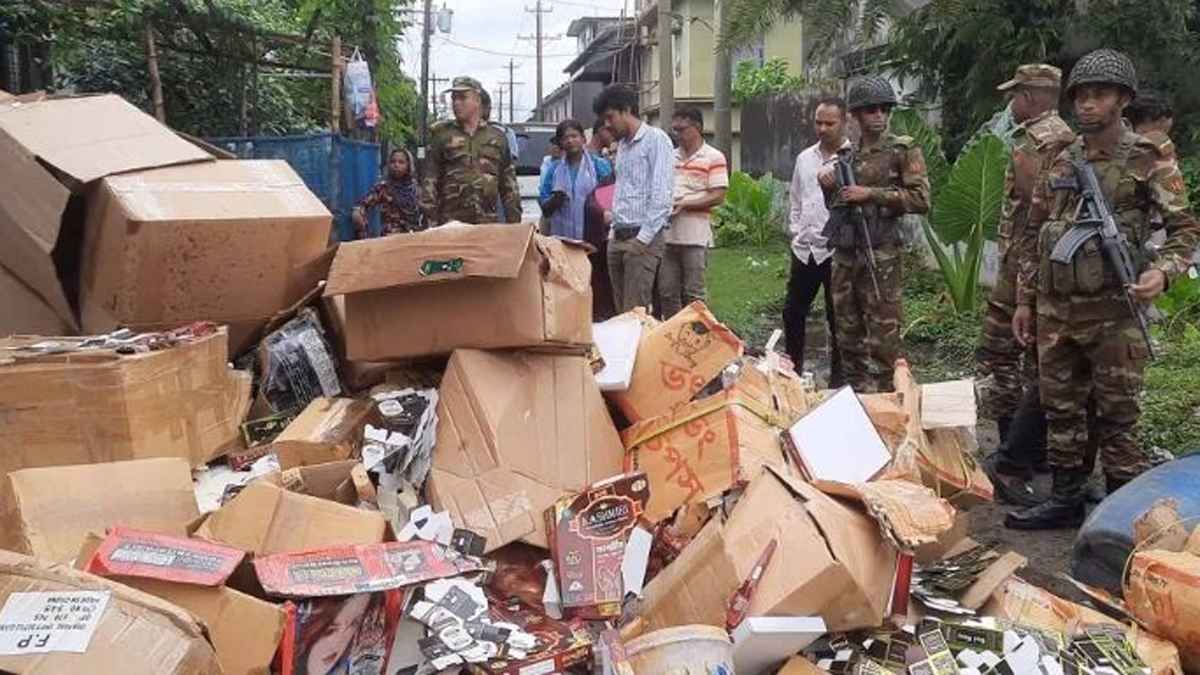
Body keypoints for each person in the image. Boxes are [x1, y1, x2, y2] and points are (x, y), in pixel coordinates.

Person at [1006, 49, 1200, 530]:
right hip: (1057, 309)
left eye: (1100, 95)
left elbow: (1184, 230)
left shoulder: (1147, 157)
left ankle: (1122, 511)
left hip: (1115, 310)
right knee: (1061, 409)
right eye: (1081, 96)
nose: (1088, 104)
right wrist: (1025, 301)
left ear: (1123, 100)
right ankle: (1066, 499)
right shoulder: (1059, 156)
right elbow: (1034, 232)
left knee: (1118, 414)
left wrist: (1163, 273)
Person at [979, 65, 1076, 507]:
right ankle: (1025, 453)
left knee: (1007, 356)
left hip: (1027, 270)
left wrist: (1024, 288)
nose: (1011, 103)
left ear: (1034, 96)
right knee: (1027, 362)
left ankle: (1012, 458)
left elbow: (1039, 216)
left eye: (1016, 95)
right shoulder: (1053, 138)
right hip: (1028, 268)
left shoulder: (1043, 143)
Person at [819, 76, 930, 393]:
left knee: (884, 339)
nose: (879, 116)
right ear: (855, 115)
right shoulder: (847, 156)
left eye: (884, 109)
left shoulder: (901, 150)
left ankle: (887, 401)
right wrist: (829, 188)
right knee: (847, 335)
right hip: (846, 256)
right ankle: (857, 399)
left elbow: (921, 199)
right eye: (871, 110)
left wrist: (871, 194)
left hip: (880, 255)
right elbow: (837, 208)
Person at [593, 83, 675, 314]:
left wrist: (642, 240)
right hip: (617, 237)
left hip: (642, 239)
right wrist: (612, 233)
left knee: (635, 313)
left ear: (627, 110)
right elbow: (621, 191)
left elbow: (662, 195)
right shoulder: (622, 147)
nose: (606, 124)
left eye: (610, 117)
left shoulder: (656, 140)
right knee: (620, 313)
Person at [784, 97, 849, 386]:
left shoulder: (852, 158)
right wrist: (796, 229)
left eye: (829, 123)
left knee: (838, 319)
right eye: (818, 122)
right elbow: (797, 198)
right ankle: (791, 374)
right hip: (805, 249)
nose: (822, 128)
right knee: (792, 312)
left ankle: (838, 382)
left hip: (836, 251)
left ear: (843, 122)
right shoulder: (804, 158)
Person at [420, 76, 521, 225]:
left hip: (487, 223)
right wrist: (430, 224)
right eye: (454, 98)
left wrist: (514, 226)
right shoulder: (442, 136)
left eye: (462, 98)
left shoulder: (497, 137)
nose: (456, 103)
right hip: (450, 225)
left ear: (477, 100)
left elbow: (509, 188)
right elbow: (430, 182)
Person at [658, 107, 728, 319]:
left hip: (695, 236)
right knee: (667, 292)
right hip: (667, 236)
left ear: (697, 127)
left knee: (694, 293)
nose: (678, 134)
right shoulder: (669, 157)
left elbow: (718, 195)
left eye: (682, 129)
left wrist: (686, 204)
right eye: (675, 129)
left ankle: (697, 334)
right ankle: (673, 333)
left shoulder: (713, 157)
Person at [539, 119, 613, 240]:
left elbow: (608, 203)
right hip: (562, 238)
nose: (570, 141)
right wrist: (556, 200)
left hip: (594, 237)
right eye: (565, 138)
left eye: (574, 136)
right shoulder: (554, 170)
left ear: (583, 139)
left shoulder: (599, 165)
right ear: (560, 143)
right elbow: (545, 207)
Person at [351, 148, 423, 237]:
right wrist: (358, 216)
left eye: (401, 162)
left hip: (413, 235)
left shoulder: (414, 187)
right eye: (393, 162)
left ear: (408, 165)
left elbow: (421, 211)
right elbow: (363, 204)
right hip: (392, 236)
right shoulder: (384, 187)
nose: (396, 165)